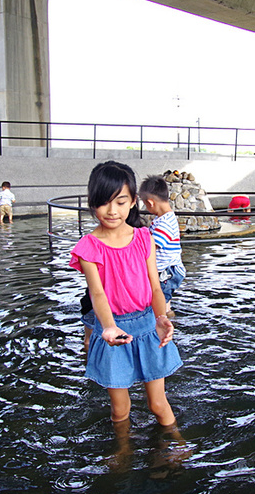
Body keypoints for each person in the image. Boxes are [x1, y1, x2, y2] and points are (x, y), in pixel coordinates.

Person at [70, 161, 181, 427]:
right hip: (114, 330)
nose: (111, 211)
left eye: (120, 202)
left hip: (146, 325)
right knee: (120, 410)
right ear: (92, 203)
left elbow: (155, 286)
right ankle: (122, 451)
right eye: (103, 202)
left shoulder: (144, 238)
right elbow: (97, 294)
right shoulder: (88, 247)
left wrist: (161, 316)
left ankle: (177, 444)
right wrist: (108, 327)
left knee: (158, 403)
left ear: (133, 201)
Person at [140, 175, 185, 311]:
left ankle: (167, 326)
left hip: (168, 271)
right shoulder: (165, 218)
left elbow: (151, 247)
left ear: (151, 202)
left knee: (159, 306)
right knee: (165, 303)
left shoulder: (164, 224)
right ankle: (169, 320)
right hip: (167, 270)